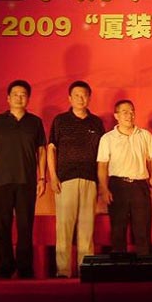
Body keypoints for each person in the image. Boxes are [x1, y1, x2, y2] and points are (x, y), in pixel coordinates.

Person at [0, 80, 46, 279]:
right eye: (15, 94)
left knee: (26, 227)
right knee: (2, 226)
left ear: (28, 98)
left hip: (27, 181)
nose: (19, 97)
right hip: (1, 181)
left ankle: (25, 268)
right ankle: (5, 267)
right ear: (8, 98)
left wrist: (42, 178)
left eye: (23, 94)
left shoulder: (35, 122)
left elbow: (42, 151)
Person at [47, 80, 104, 278]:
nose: (81, 98)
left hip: (90, 179)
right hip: (66, 180)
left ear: (89, 98)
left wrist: (101, 183)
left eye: (84, 95)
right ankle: (63, 271)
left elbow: (102, 156)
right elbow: (51, 149)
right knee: (64, 227)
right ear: (69, 98)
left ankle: (85, 270)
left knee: (87, 228)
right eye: (77, 95)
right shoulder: (60, 120)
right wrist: (53, 176)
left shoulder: (96, 123)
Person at [96, 100, 152, 256]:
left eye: (131, 111)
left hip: (140, 185)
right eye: (124, 112)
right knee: (118, 229)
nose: (129, 115)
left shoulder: (145, 135)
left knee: (143, 229)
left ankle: (144, 265)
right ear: (116, 115)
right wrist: (104, 188)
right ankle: (119, 265)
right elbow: (102, 165)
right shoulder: (107, 138)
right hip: (117, 186)